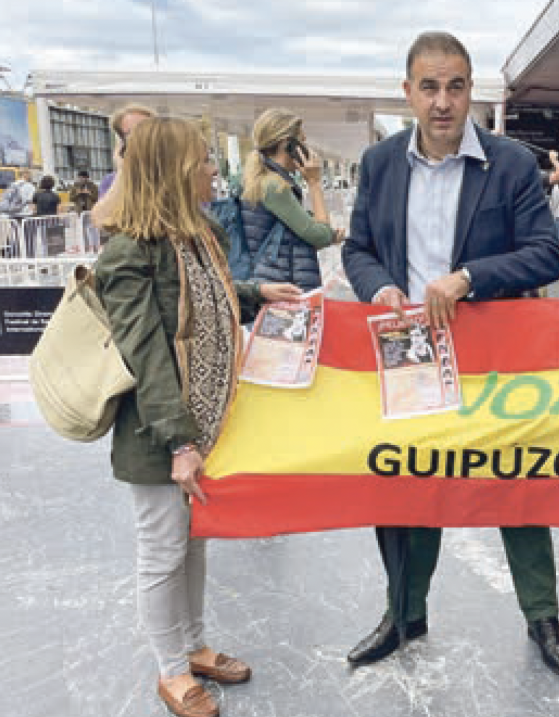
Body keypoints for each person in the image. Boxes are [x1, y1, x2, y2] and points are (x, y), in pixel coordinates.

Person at [342, 31, 559, 676]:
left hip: (493, 352)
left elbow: (548, 252)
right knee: (407, 484)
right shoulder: (381, 163)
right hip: (409, 352)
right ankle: (403, 612)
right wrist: (379, 287)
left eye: (456, 86)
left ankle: (542, 613)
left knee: (515, 482)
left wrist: (470, 276)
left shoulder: (512, 163)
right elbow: (358, 249)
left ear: (470, 89)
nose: (443, 102)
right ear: (408, 92)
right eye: (429, 86)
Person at [94, 116, 302, 717]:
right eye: (204, 160)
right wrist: (180, 443)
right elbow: (146, 351)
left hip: (203, 424)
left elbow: (207, 297)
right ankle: (169, 670)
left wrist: (257, 293)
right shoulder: (129, 250)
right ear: (173, 172)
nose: (215, 169)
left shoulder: (196, 233)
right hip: (160, 432)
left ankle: (190, 645)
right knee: (162, 550)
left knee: (193, 543)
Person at [239, 108, 342, 292]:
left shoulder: (264, 181)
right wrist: (314, 182)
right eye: (302, 141)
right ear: (288, 145)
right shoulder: (274, 186)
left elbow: (292, 237)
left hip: (273, 282)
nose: (307, 148)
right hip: (281, 287)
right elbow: (320, 235)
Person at [91, 104, 157, 226]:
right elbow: (101, 220)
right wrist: (123, 171)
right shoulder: (113, 181)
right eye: (132, 132)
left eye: (147, 130)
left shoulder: (178, 172)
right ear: (122, 142)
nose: (142, 137)